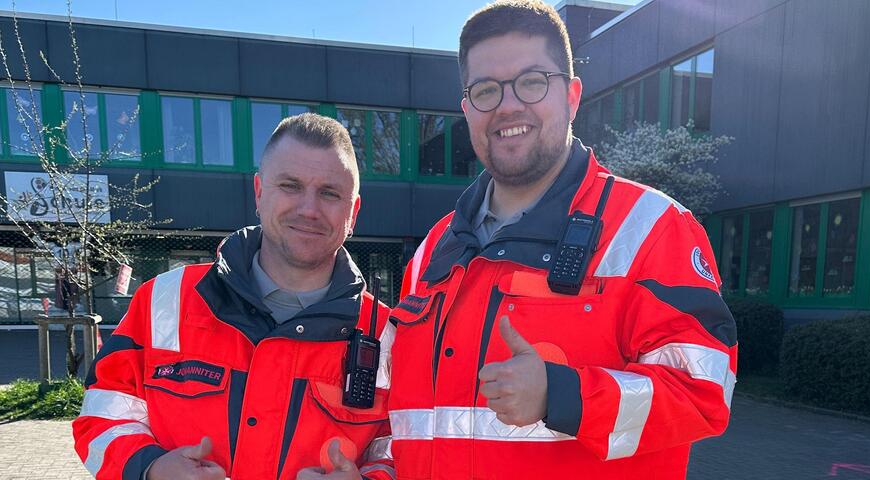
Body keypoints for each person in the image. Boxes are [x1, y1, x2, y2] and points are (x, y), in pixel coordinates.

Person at [384, 1, 739, 478]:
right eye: (486, 90)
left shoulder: (653, 228)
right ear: (467, 110)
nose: (508, 105)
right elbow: (401, 418)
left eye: (532, 82)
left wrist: (564, 395)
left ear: (571, 96)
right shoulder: (434, 250)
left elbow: (703, 395)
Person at [72, 114, 395, 480]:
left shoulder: (387, 335)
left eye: (330, 193)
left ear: (353, 211)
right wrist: (150, 468)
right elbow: (101, 415)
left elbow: (401, 449)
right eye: (290, 186)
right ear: (259, 192)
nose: (309, 209)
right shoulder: (163, 301)